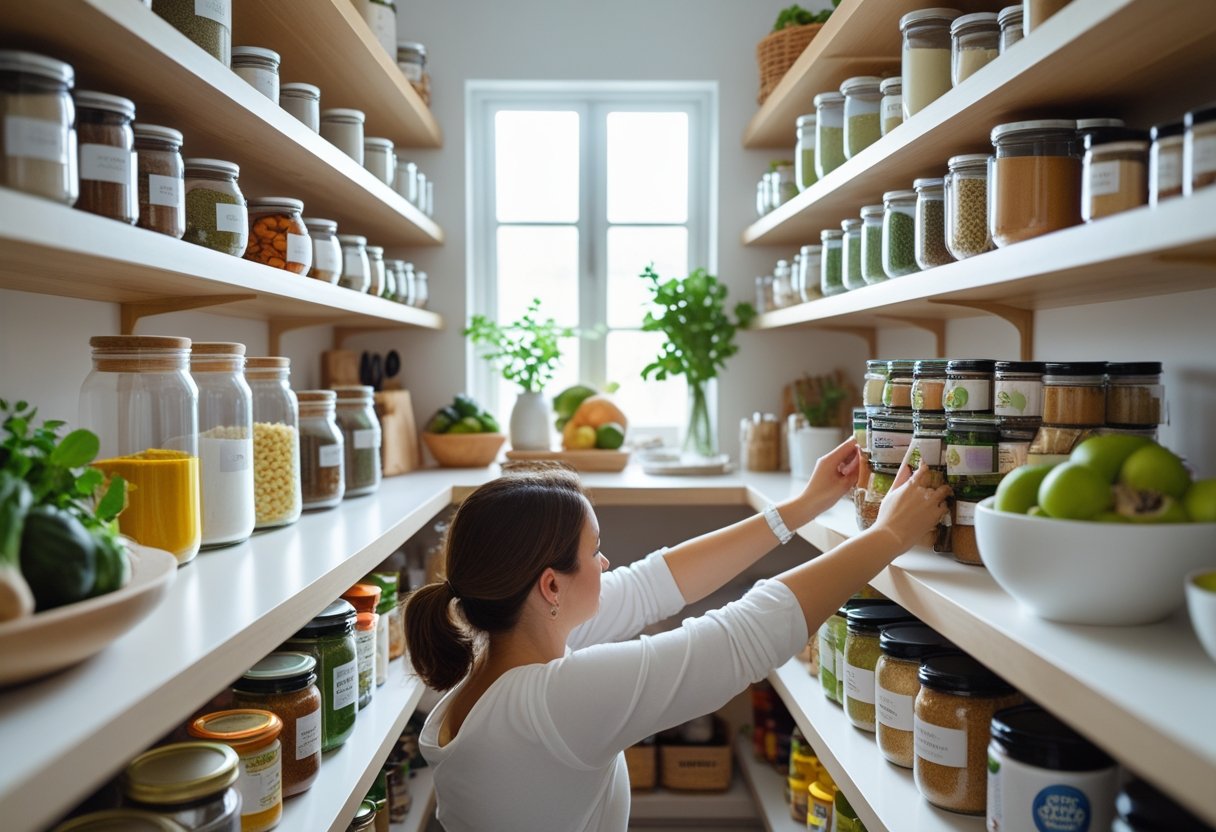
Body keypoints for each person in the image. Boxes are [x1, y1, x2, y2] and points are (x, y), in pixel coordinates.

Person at [404, 436, 949, 832]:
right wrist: (890, 534)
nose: (606, 562)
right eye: (594, 551)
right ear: (550, 586)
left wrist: (801, 509)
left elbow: (653, 582)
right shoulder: (552, 701)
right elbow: (739, 638)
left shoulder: (497, 650)